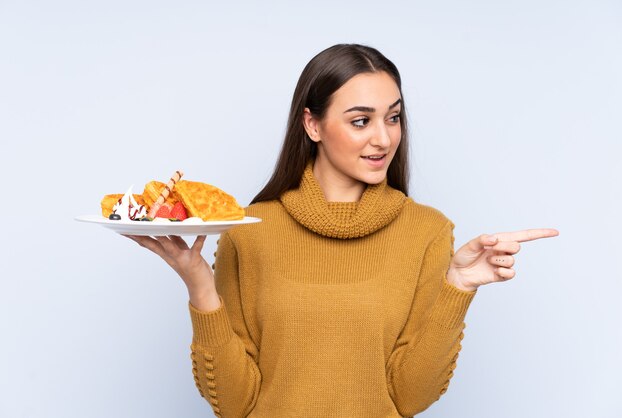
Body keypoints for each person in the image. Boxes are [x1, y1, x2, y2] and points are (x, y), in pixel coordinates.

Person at [125, 44, 559, 418]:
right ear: (312, 125)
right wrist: (200, 285)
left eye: (393, 118)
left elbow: (411, 397)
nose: (384, 139)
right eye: (360, 121)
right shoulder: (248, 230)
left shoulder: (427, 230)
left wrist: (458, 286)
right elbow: (235, 404)